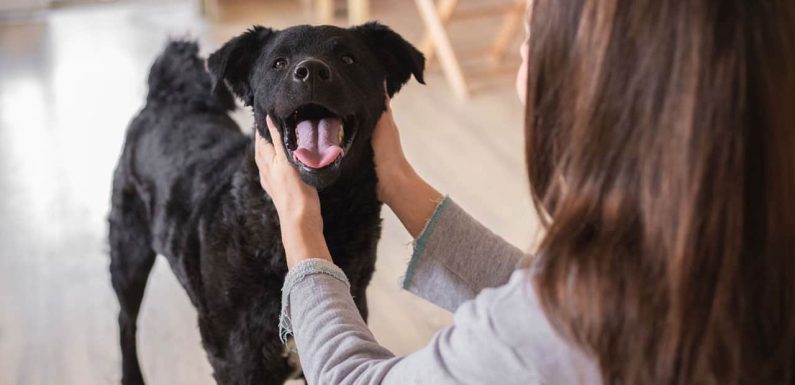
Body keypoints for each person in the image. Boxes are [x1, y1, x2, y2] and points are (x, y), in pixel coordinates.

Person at [253, 0, 795, 384]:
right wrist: (398, 183)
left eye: (531, 35)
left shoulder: (557, 334)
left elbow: (353, 377)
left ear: (600, 76)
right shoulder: (735, 255)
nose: (519, 66)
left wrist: (301, 232)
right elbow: (565, 297)